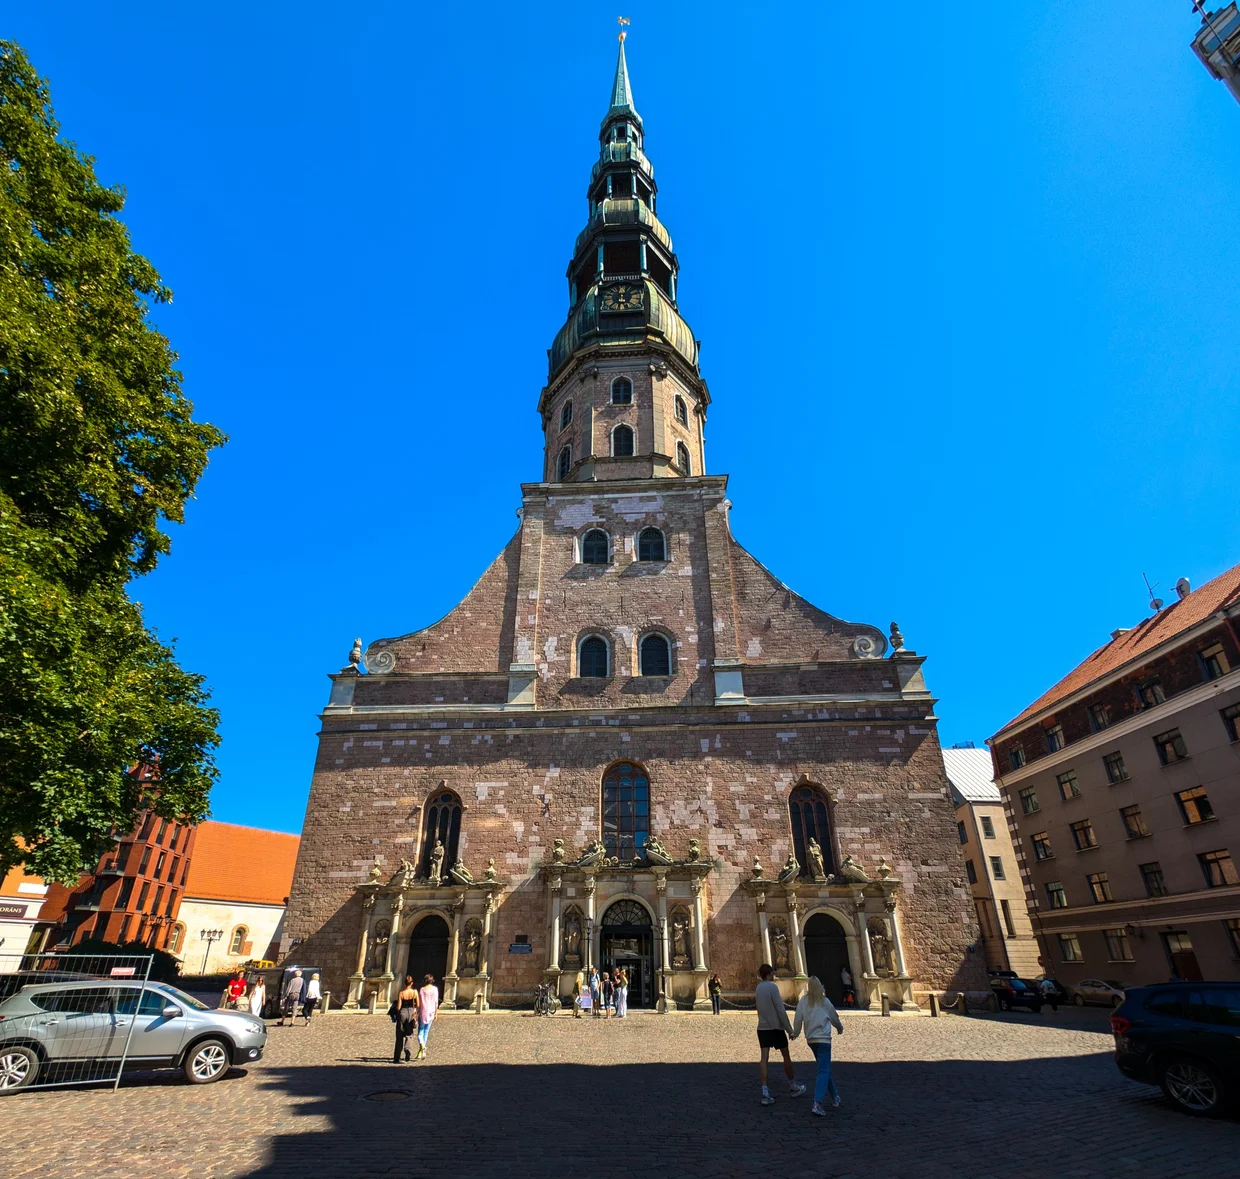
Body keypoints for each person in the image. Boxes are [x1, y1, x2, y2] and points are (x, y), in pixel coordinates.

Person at [792, 975, 844, 1116]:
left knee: (824, 1069)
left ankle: (835, 1096)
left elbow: (798, 1019)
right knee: (823, 1070)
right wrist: (839, 1027)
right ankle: (817, 1103)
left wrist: (795, 1033)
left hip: (812, 1041)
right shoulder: (824, 1002)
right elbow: (834, 1017)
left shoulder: (803, 1001)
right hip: (824, 1040)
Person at [755, 963, 805, 1106]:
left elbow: (758, 1008)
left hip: (763, 1027)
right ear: (769, 973)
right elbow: (780, 1010)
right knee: (786, 1056)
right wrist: (790, 1030)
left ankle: (765, 1092)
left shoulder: (758, 988)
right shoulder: (772, 987)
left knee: (764, 1058)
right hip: (776, 1028)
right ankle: (793, 1086)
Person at [391, 976, 419, 1063]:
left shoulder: (401, 993)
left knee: (399, 1036)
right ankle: (407, 1049)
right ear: (412, 983)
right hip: (411, 1013)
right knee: (409, 1034)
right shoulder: (415, 992)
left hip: (402, 1013)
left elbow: (399, 1007)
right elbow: (418, 1004)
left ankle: (396, 1057)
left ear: (404, 983)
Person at [416, 973, 439, 1059]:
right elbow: (436, 1002)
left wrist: (417, 1011)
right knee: (426, 1032)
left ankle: (422, 1048)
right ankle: (423, 1049)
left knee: (420, 1032)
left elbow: (419, 1003)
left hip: (423, 1012)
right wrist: (436, 1013)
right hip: (431, 1012)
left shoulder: (422, 989)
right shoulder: (435, 989)